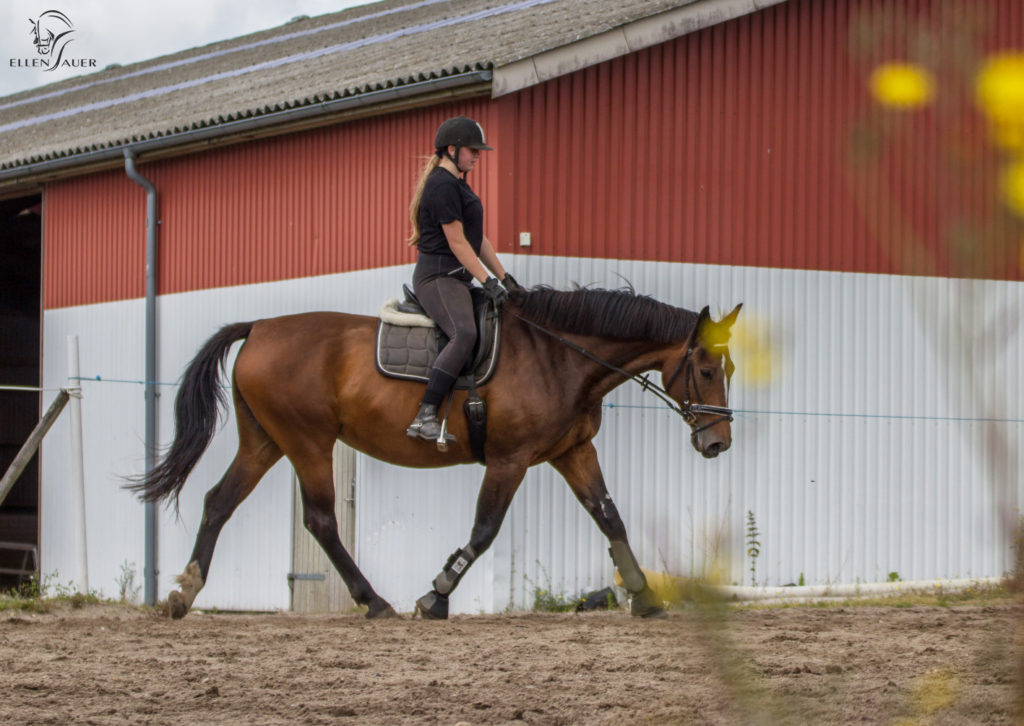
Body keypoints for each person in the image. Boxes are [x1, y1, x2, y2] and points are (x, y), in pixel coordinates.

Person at [405, 115, 519, 442]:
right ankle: (425, 413)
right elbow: (457, 242)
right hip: (437, 278)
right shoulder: (441, 185)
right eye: (473, 151)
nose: (478, 156)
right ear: (452, 149)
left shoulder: (459, 185)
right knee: (464, 333)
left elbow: (478, 240)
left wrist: (505, 279)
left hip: (457, 278)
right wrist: (486, 281)